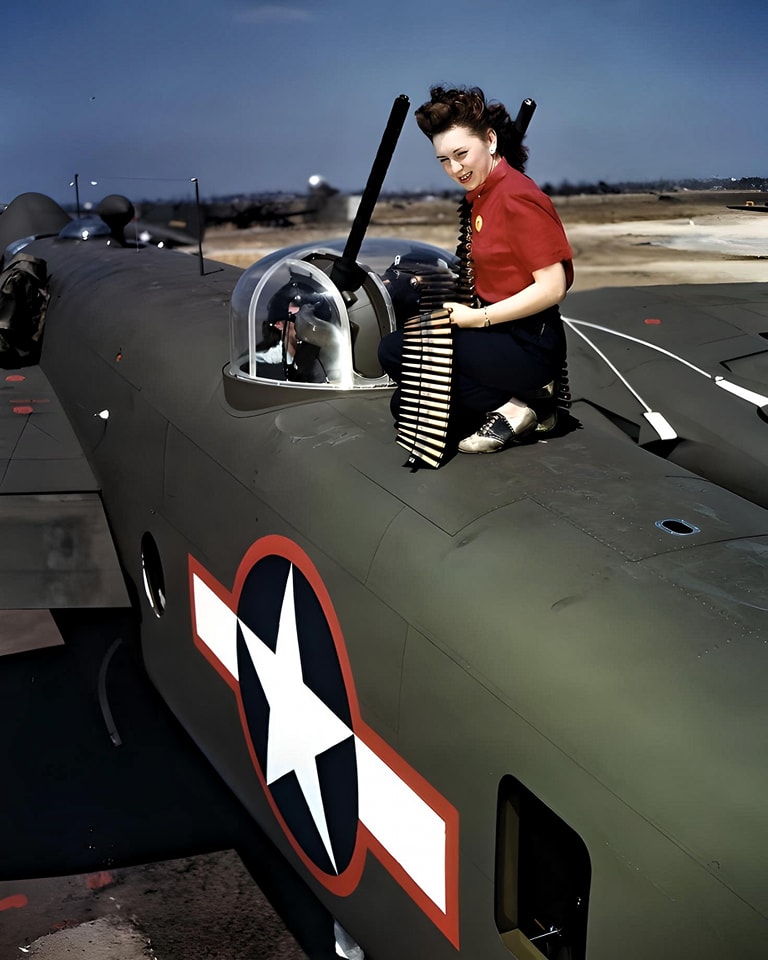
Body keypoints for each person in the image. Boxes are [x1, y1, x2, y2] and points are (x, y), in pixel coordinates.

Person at [378, 85, 573, 454]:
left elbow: (553, 287)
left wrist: (478, 318)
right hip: (499, 338)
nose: (454, 168)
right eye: (443, 160)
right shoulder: (485, 194)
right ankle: (527, 404)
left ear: (491, 140)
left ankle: (518, 407)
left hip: (526, 343)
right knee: (403, 406)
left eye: (461, 154)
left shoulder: (517, 196)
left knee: (394, 350)